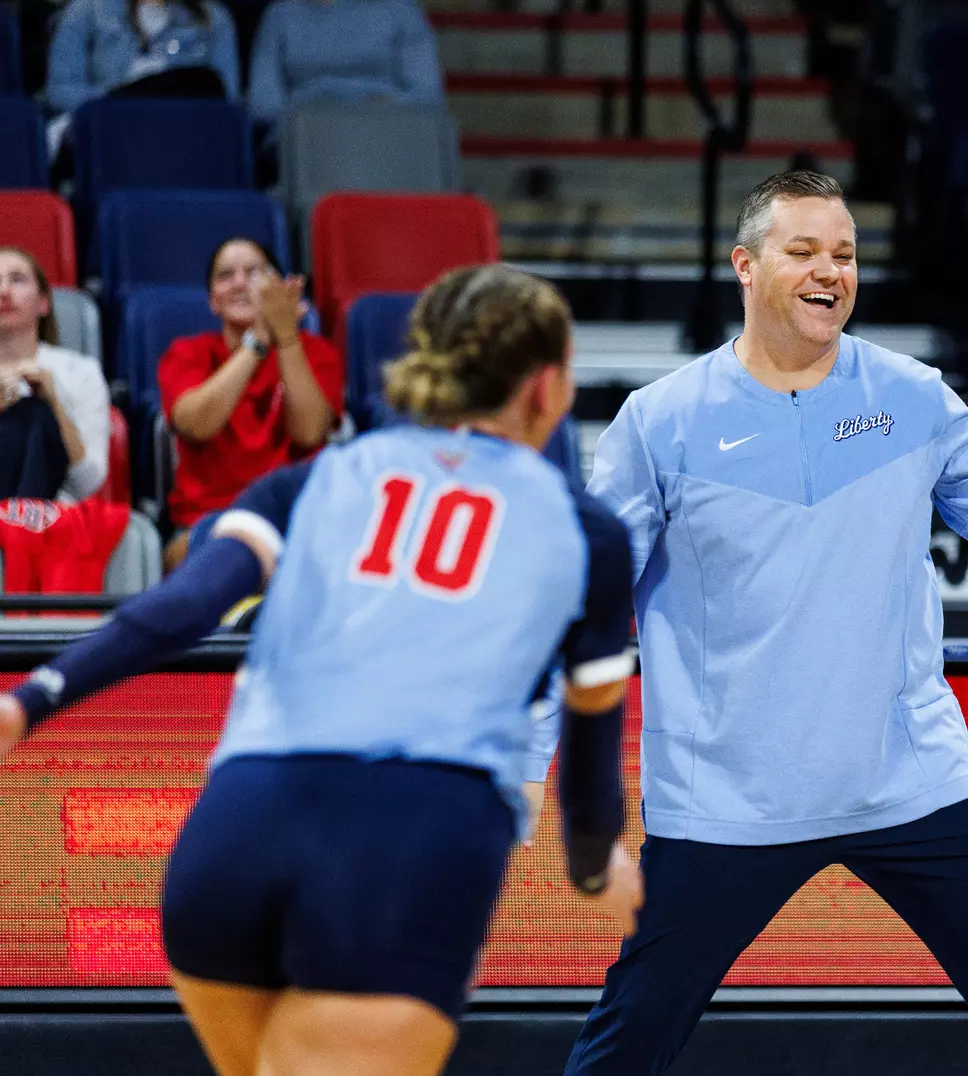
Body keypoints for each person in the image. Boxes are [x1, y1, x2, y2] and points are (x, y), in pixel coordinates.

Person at [563, 170, 968, 1076]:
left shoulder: (913, 395)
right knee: (632, 1033)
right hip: (728, 799)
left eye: (844, 253)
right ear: (745, 266)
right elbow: (591, 602)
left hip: (909, 780)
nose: (830, 269)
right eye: (803, 251)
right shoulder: (660, 421)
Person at [0, 265, 644, 1076]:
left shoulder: (317, 479)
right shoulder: (588, 532)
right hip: (410, 840)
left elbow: (182, 608)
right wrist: (594, 866)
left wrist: (29, 701)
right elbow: (591, 749)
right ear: (547, 389)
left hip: (236, 833)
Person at [158, 238, 343, 569]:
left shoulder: (318, 353)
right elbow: (196, 426)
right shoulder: (187, 353)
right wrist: (258, 340)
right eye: (226, 275)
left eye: (254, 273)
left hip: (297, 518)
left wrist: (286, 337)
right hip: (211, 522)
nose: (240, 283)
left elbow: (310, 433)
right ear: (213, 301)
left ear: (279, 289)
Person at [248, 0, 444, 131]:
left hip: (388, 133)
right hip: (305, 138)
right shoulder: (280, 14)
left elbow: (426, 95)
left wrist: (373, 106)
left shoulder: (401, 10)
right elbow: (263, 104)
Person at [0, 247, 110, 503]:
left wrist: (55, 405)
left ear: (43, 303)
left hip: (54, 516)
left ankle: (20, 530)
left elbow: (88, 482)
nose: (4, 291)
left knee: (37, 413)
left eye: (17, 279)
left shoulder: (81, 372)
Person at [45, 0, 239, 121]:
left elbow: (227, 100)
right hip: (109, 129)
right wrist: (123, 101)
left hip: (185, 134)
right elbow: (60, 91)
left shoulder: (213, 17)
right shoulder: (87, 8)